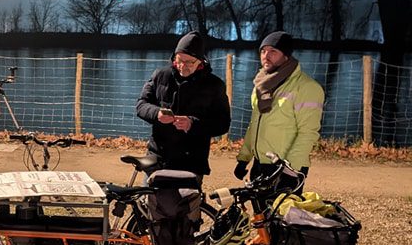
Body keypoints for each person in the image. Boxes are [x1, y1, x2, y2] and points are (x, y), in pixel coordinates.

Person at [135, 31, 231, 179]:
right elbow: (141, 105)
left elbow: (223, 123)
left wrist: (192, 124)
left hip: (192, 160)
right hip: (158, 156)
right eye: (179, 60)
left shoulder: (215, 85)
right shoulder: (160, 75)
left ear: (200, 61)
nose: (182, 66)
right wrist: (157, 113)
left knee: (185, 201)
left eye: (189, 62)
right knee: (151, 199)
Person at [234, 31, 324, 184]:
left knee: (283, 208)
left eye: (273, 51)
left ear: (286, 56)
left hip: (285, 166)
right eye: (263, 51)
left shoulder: (307, 87)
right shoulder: (261, 84)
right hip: (260, 164)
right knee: (261, 209)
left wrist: (291, 168)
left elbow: (308, 133)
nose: (266, 55)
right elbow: (254, 125)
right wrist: (244, 159)